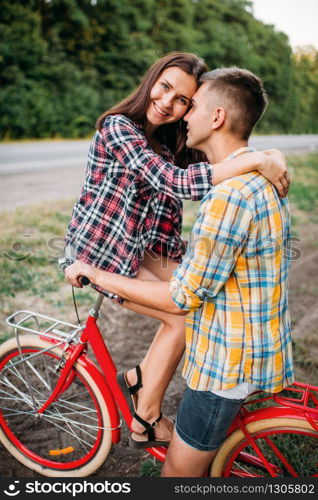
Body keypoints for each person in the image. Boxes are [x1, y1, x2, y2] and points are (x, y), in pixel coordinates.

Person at [65, 66, 294, 475]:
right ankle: (145, 416)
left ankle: (140, 387)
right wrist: (262, 158)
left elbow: (223, 154)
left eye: (185, 101)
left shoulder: (172, 136)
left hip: (144, 248)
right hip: (104, 250)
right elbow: (173, 182)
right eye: (165, 88)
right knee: (181, 314)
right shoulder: (119, 127)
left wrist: (270, 155)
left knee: (190, 310)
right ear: (151, 80)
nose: (170, 104)